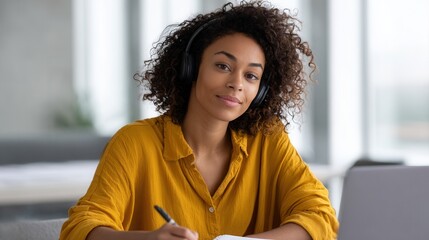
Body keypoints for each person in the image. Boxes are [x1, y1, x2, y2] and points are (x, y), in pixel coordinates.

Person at [60, 1, 339, 239]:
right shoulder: (135, 143)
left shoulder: (268, 140)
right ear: (190, 68)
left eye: (251, 76)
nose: (236, 84)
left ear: (261, 90)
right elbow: (80, 228)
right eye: (223, 66)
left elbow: (320, 216)